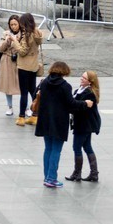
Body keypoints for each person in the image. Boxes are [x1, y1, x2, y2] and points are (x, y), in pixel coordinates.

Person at [35, 59, 73, 187]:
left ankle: (47, 176)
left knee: (48, 149)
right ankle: (51, 178)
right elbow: (71, 104)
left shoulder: (45, 82)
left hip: (45, 120)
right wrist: (85, 104)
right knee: (56, 150)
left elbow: (35, 95)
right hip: (59, 122)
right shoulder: (65, 86)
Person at [67, 68, 101, 182]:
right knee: (87, 146)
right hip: (84, 124)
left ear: (90, 82)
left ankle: (77, 173)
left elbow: (79, 108)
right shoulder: (79, 90)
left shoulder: (89, 93)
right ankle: (94, 173)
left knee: (76, 147)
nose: (81, 79)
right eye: (82, 77)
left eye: (84, 78)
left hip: (84, 124)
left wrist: (72, 106)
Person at [14, 13, 44, 125]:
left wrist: (15, 42)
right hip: (34, 66)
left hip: (24, 66)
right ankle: (35, 115)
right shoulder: (37, 33)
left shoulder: (28, 35)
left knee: (24, 93)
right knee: (33, 90)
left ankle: (21, 117)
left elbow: (22, 51)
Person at [0, 14, 22, 116]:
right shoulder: (6, 34)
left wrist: (16, 41)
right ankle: (9, 107)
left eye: (15, 24)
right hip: (7, 60)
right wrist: (6, 41)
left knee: (23, 85)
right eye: (11, 25)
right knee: (7, 84)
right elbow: (0, 49)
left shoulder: (23, 34)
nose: (13, 26)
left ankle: (27, 107)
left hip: (19, 60)